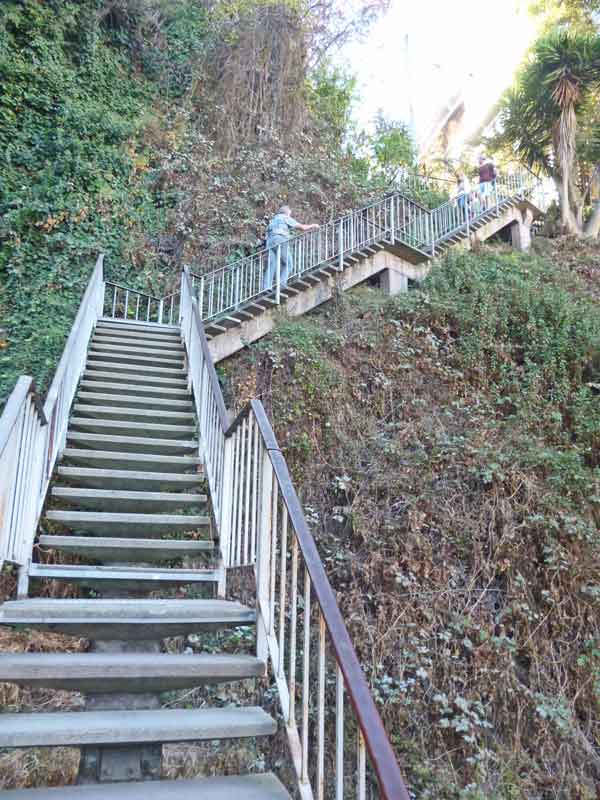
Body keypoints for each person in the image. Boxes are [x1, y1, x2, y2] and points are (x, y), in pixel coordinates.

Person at [263, 205, 319, 291]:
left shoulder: (273, 220)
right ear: (287, 212)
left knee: (271, 264)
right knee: (289, 264)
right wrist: (312, 225)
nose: (289, 215)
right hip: (280, 239)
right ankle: (281, 284)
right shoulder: (285, 217)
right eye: (289, 214)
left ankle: (266, 287)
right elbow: (302, 227)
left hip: (269, 242)